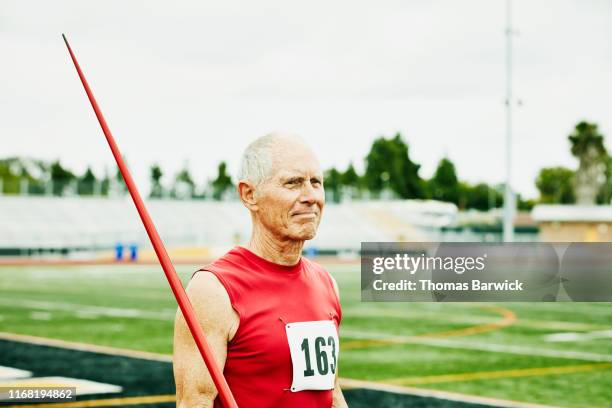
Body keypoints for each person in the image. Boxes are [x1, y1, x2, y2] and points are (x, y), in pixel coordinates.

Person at [173, 132, 348, 407]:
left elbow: (332, 393)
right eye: (293, 183)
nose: (311, 196)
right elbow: (195, 402)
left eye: (316, 182)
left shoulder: (326, 283)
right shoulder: (214, 290)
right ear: (249, 194)